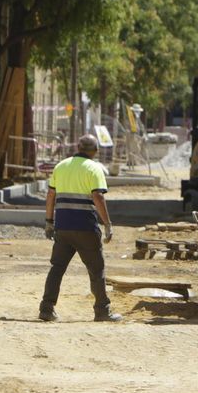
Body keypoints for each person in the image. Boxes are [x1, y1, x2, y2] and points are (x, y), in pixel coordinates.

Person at [40, 134, 120, 323]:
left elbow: (51, 195)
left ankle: (46, 308)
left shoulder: (61, 166)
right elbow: (98, 197)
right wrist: (107, 224)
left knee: (57, 268)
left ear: (77, 147)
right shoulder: (94, 169)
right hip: (86, 228)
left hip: (63, 227)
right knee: (96, 269)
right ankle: (102, 311)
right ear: (96, 151)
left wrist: (49, 221)